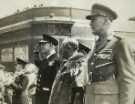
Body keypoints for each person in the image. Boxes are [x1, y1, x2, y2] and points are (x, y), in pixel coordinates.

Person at [85, 3, 119, 104]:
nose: (90, 24)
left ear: (105, 20)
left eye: (94, 20)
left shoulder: (118, 44)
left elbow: (128, 82)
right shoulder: (95, 45)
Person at [49, 38, 89, 104]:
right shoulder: (67, 63)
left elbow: (78, 90)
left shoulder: (79, 63)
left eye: (63, 48)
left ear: (70, 48)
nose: (61, 51)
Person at [35, 34, 59, 104]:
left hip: (48, 97)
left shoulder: (55, 59)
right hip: (41, 96)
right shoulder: (46, 59)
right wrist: (36, 52)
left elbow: (55, 82)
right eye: (40, 44)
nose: (41, 46)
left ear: (51, 44)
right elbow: (38, 63)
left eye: (43, 44)